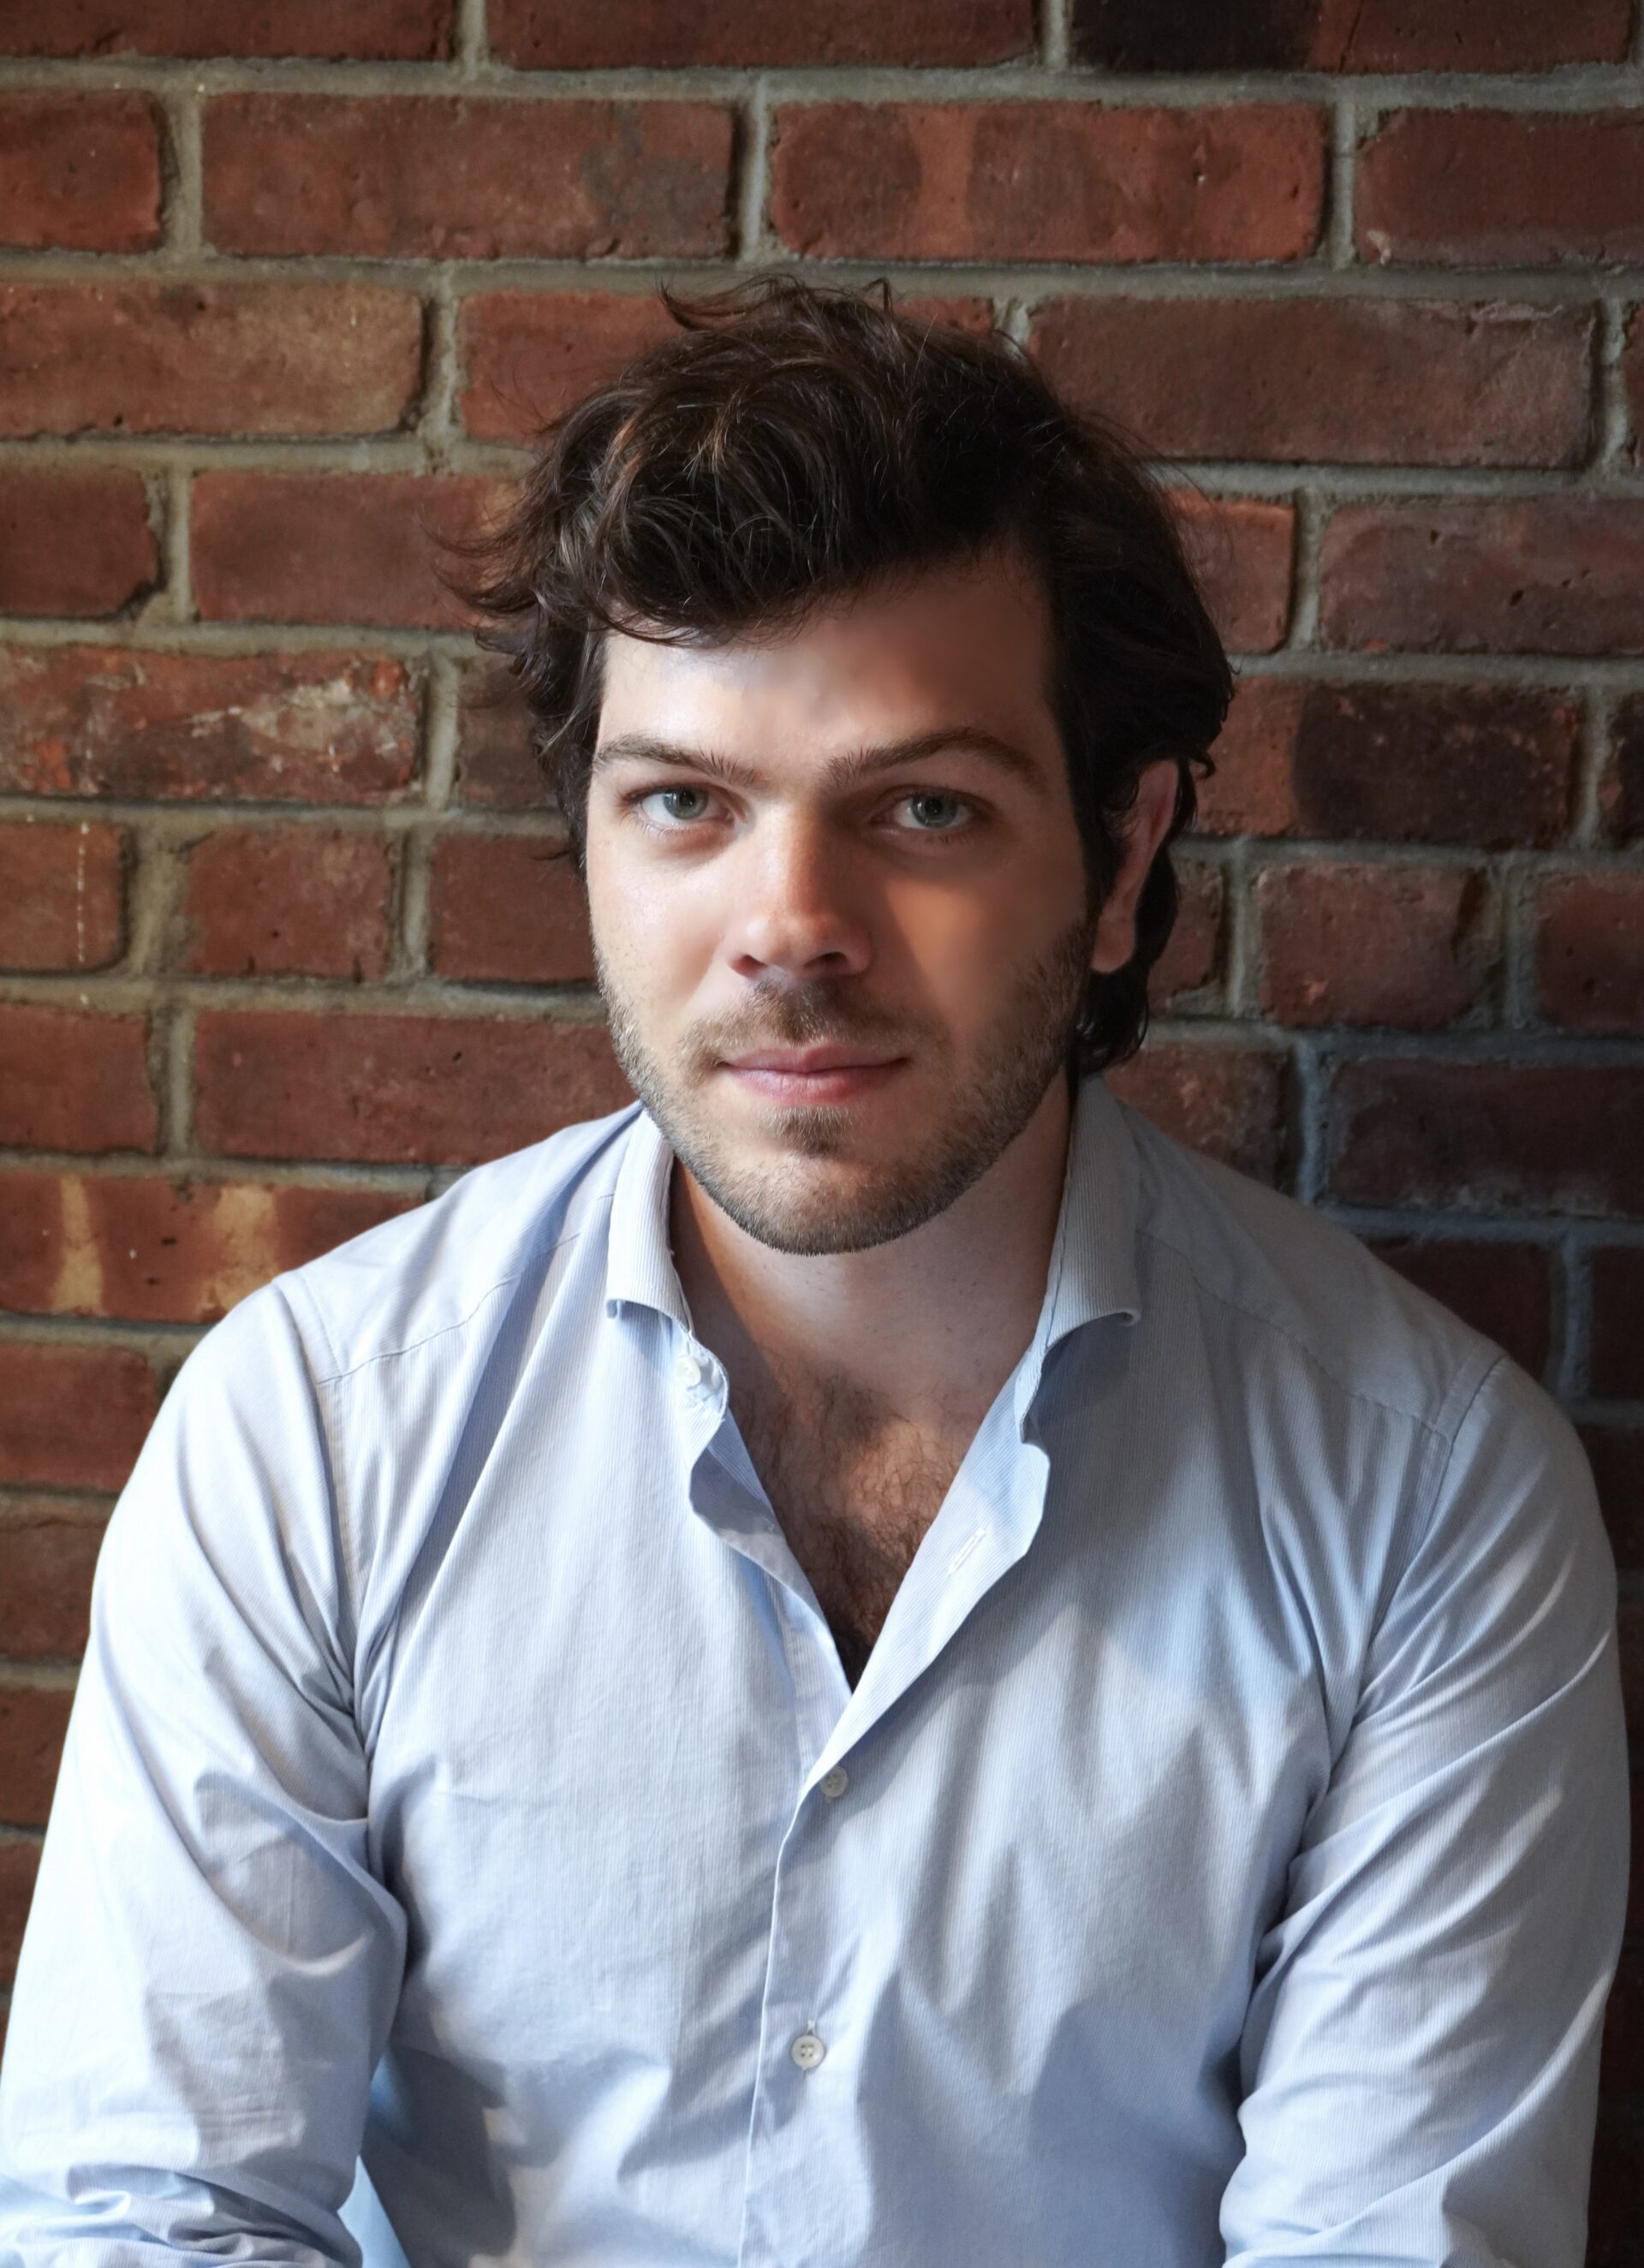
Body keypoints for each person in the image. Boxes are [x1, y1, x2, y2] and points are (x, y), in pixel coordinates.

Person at [0, 277, 1627, 2267]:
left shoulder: (1426, 1503)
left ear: (1122, 861)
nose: (791, 926)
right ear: (592, 841)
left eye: (921, 808)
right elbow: (148, 2215)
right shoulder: (315, 1436)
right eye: (687, 801)